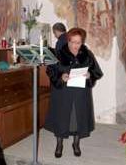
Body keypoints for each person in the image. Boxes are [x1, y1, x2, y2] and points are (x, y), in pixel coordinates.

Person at [45, 27, 103, 158]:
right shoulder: (59, 53)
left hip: (80, 93)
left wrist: (90, 75)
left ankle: (76, 144)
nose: (75, 45)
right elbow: (50, 71)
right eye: (72, 42)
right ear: (68, 41)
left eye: (78, 42)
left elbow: (96, 71)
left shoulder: (87, 54)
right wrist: (61, 77)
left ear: (82, 42)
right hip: (63, 92)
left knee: (78, 118)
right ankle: (59, 144)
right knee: (61, 117)